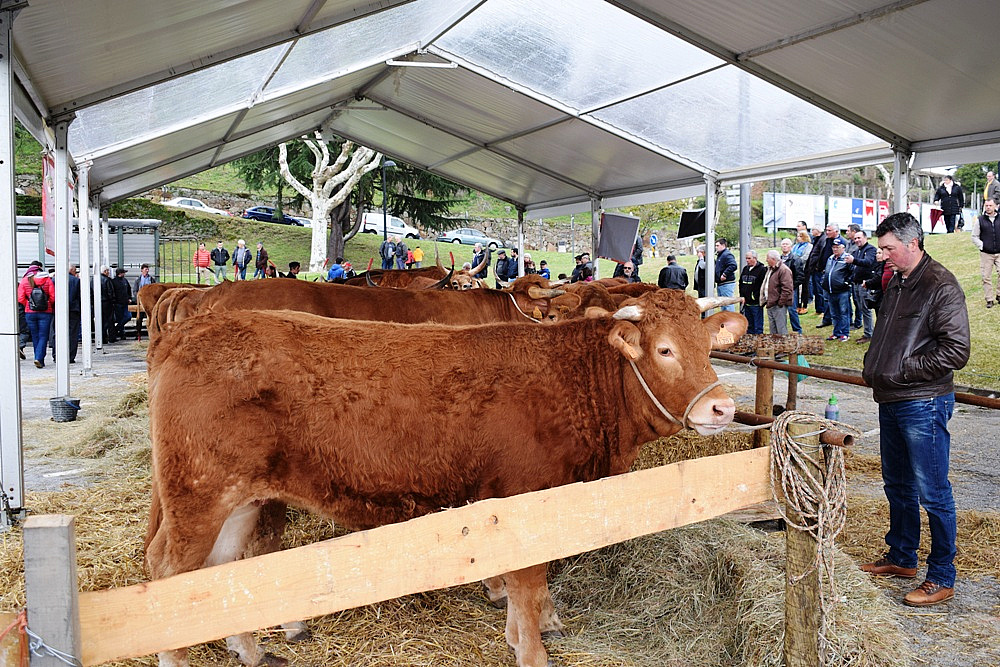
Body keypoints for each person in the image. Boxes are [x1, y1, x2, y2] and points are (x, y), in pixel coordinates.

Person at [859, 211, 970, 608]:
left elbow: (956, 350)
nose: (883, 254)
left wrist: (902, 370)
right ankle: (902, 556)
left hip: (923, 401)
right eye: (882, 247)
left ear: (912, 243)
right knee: (898, 485)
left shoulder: (941, 285)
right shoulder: (899, 282)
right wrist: (878, 366)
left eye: (889, 248)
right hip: (891, 398)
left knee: (933, 491)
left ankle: (941, 575)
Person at [17, 262, 55, 368]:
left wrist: (29, 305)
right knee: (43, 336)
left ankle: (38, 358)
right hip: (45, 313)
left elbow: (20, 298)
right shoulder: (47, 280)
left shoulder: (25, 281)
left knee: (35, 336)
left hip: (30, 313)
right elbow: (53, 296)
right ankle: (39, 358)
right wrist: (47, 304)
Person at [809, 223, 847, 328]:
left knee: (839, 301)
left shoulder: (842, 242)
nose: (827, 232)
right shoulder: (826, 240)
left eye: (829, 230)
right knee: (826, 297)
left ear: (836, 231)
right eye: (827, 230)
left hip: (836, 276)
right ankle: (827, 319)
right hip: (823, 272)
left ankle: (843, 324)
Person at [844, 229, 877, 343]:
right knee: (860, 307)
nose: (857, 240)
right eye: (855, 238)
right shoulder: (858, 251)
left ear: (865, 238)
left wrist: (854, 261)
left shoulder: (871, 250)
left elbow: (868, 262)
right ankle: (867, 332)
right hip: (856, 283)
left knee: (866, 308)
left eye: (859, 238)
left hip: (865, 284)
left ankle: (869, 333)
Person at [971, 198, 1000, 308]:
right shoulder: (980, 220)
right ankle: (989, 299)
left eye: (990, 205)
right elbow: (974, 236)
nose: (988, 207)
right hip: (986, 253)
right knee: (986, 276)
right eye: (986, 205)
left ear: (995, 206)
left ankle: (999, 294)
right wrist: (982, 245)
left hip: (999, 252)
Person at [823, 238, 853, 341]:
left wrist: (846, 283)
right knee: (834, 313)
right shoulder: (830, 258)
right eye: (834, 247)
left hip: (842, 291)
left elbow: (852, 273)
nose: (835, 249)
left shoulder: (847, 259)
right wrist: (824, 282)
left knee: (843, 312)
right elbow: (826, 272)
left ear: (843, 248)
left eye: (838, 247)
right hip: (831, 290)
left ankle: (845, 333)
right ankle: (836, 332)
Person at [763, 249, 794, 335]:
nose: (766, 260)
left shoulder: (784, 270)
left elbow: (787, 289)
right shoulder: (771, 269)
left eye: (767, 258)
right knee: (773, 328)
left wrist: (780, 303)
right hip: (771, 303)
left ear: (773, 259)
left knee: (781, 328)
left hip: (778, 305)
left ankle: (783, 346)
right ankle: (775, 346)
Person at [738, 250, 766, 334]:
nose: (747, 260)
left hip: (756, 304)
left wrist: (756, 296)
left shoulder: (762, 270)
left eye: (749, 258)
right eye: (746, 258)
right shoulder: (745, 269)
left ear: (755, 258)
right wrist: (742, 296)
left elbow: (763, 285)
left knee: (757, 326)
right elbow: (740, 283)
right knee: (749, 325)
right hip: (746, 303)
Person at [778, 239, 803, 334]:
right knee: (780, 311)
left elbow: (800, 276)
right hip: (779, 289)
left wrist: (791, 287)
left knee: (792, 310)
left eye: (786, 244)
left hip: (791, 289)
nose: (784, 246)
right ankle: (781, 330)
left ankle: (797, 330)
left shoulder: (795, 259)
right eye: (783, 244)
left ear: (791, 247)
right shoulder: (778, 259)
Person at [133, 263, 157, 338]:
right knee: (139, 318)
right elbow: (135, 290)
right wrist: (138, 297)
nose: (147, 271)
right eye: (146, 269)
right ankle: (138, 333)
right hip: (141, 301)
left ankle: (152, 333)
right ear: (142, 270)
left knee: (150, 317)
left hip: (150, 301)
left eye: (148, 269)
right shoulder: (138, 280)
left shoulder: (151, 279)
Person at [792, 229, 813, 313]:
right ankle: (797, 305)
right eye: (798, 236)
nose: (798, 238)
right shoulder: (795, 246)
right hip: (795, 269)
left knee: (805, 288)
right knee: (796, 287)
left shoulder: (809, 246)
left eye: (800, 236)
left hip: (804, 269)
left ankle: (804, 305)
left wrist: (796, 261)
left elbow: (805, 257)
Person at [715, 238, 738, 311]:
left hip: (726, 284)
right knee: (723, 304)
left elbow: (733, 265)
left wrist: (724, 274)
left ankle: (731, 320)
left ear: (723, 245)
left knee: (728, 304)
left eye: (717, 245)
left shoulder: (726, 254)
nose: (716, 247)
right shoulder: (721, 255)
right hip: (721, 284)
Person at [111, 267, 133, 340]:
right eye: (123, 272)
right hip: (118, 303)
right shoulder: (113, 282)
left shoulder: (125, 281)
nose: (124, 274)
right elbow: (113, 292)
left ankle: (116, 329)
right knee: (120, 318)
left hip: (125, 303)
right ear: (120, 274)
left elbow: (129, 289)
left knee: (128, 316)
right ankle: (121, 333)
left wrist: (129, 298)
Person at [66, 264, 82, 363]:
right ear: (71, 270)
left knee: (58, 332)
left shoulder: (55, 280)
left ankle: (56, 355)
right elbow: (80, 296)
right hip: (74, 310)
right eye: (75, 270)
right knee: (73, 333)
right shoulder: (76, 281)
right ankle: (71, 356)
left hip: (59, 311)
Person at [99, 265, 116, 343]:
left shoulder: (94, 280)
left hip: (99, 303)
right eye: (108, 271)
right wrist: (113, 301)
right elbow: (110, 292)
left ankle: (102, 338)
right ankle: (111, 338)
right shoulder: (107, 280)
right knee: (110, 320)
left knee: (101, 321)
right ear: (105, 271)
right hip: (107, 303)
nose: (109, 272)